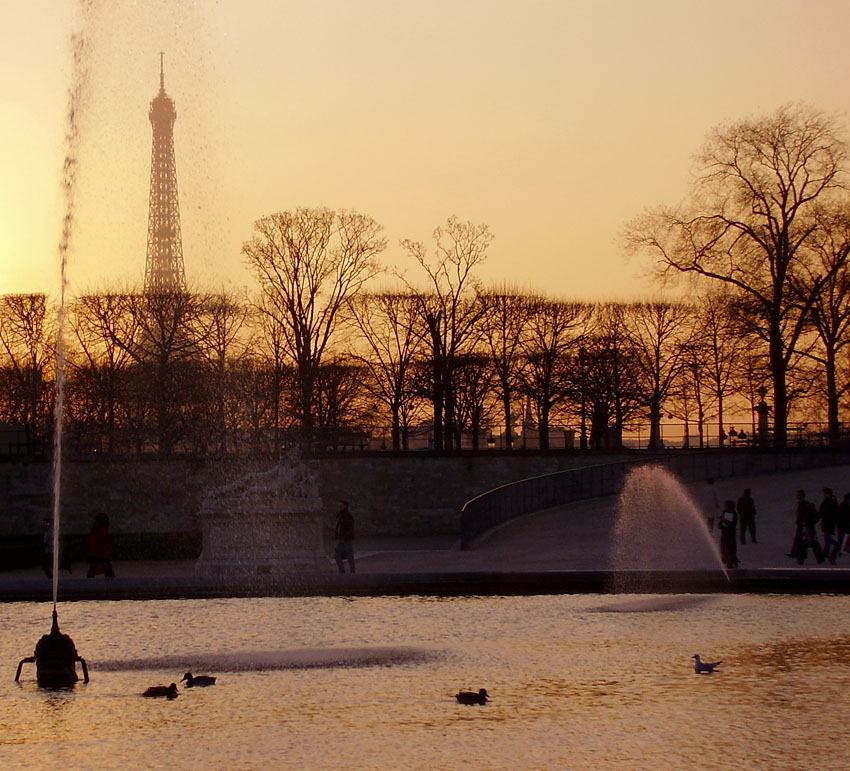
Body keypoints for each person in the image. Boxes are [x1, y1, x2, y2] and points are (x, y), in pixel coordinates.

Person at [789, 490, 824, 565]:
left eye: (798, 495)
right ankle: (817, 559)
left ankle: (802, 558)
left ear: (802, 495)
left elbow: (814, 516)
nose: (797, 496)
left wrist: (808, 523)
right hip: (804, 527)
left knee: (808, 543)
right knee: (809, 543)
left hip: (807, 528)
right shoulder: (801, 504)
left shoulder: (806, 505)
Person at [86, 512, 116, 578]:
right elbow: (103, 543)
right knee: (107, 568)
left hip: (97, 553)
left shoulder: (96, 529)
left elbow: (95, 542)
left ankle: (89, 580)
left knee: (94, 567)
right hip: (101, 553)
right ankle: (111, 580)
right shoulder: (101, 530)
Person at [334, 501, 355, 574]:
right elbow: (339, 528)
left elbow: (350, 529)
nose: (339, 507)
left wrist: (344, 537)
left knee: (349, 556)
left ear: (345, 506)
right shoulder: (341, 516)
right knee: (338, 556)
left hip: (346, 539)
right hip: (342, 539)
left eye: (341, 506)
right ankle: (342, 571)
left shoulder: (347, 516)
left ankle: (352, 572)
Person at [829, 492, 850, 564]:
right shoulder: (845, 507)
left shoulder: (842, 506)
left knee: (842, 543)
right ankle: (832, 558)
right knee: (841, 544)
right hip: (844, 528)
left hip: (842, 528)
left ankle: (832, 557)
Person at [819, 488, 839, 559]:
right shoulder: (827, 501)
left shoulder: (831, 502)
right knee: (827, 538)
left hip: (829, 522)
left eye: (826, 493)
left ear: (829, 494)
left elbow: (832, 512)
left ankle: (838, 545)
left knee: (827, 538)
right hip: (827, 522)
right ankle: (826, 552)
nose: (824, 495)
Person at [718, 499, 739, 569]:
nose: (725, 507)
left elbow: (727, 525)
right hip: (728, 534)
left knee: (727, 549)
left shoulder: (730, 513)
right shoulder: (729, 512)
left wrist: (722, 522)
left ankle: (730, 563)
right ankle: (732, 561)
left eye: (726, 505)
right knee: (728, 549)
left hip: (728, 535)